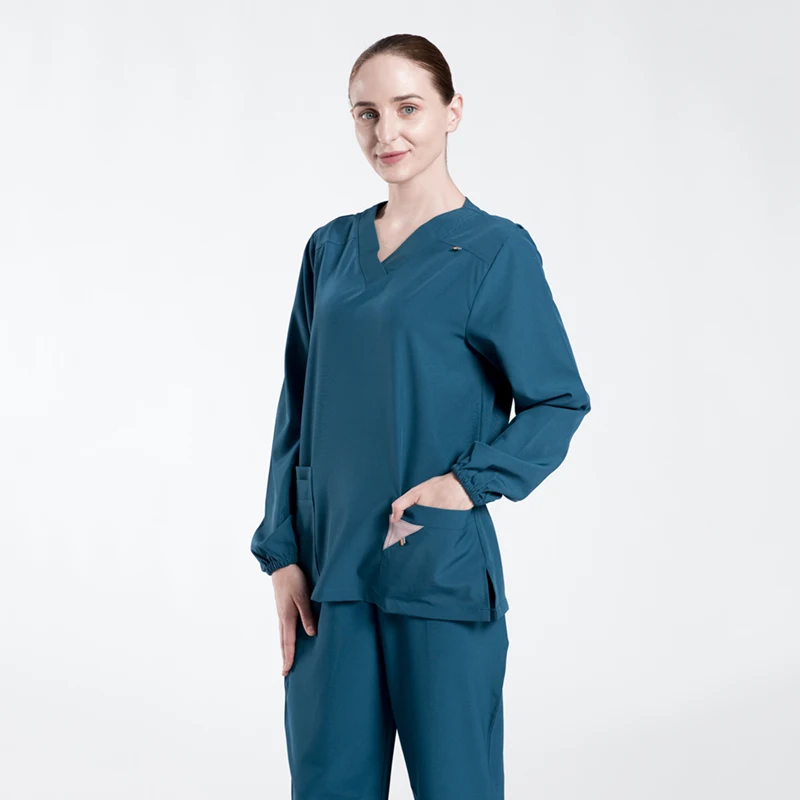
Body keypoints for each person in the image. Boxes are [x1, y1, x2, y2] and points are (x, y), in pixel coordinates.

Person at [250, 33, 591, 800]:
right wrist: (282, 554)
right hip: (329, 579)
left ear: (452, 111)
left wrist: (466, 485)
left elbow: (558, 399)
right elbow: (296, 406)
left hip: (436, 569)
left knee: (457, 786)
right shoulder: (330, 250)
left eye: (408, 108)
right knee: (328, 787)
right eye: (366, 114)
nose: (387, 133)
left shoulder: (495, 252)